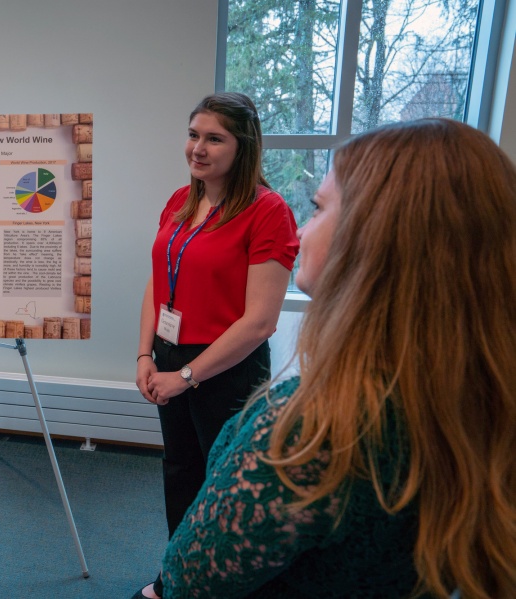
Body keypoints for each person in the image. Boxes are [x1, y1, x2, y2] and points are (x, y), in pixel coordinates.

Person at [161, 118, 516, 598]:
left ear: (373, 238)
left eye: (318, 208)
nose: (302, 231)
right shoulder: (483, 398)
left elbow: (190, 580)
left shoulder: (309, 432)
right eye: (193, 134)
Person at [133, 93, 299, 599]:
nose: (197, 148)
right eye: (193, 134)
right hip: (169, 356)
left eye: (213, 138)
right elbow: (157, 283)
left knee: (224, 482)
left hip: (226, 365)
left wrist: (185, 377)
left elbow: (259, 322)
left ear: (242, 146)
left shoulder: (267, 212)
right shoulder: (181, 202)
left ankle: (221, 585)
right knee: (180, 471)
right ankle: (178, 576)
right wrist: (145, 354)